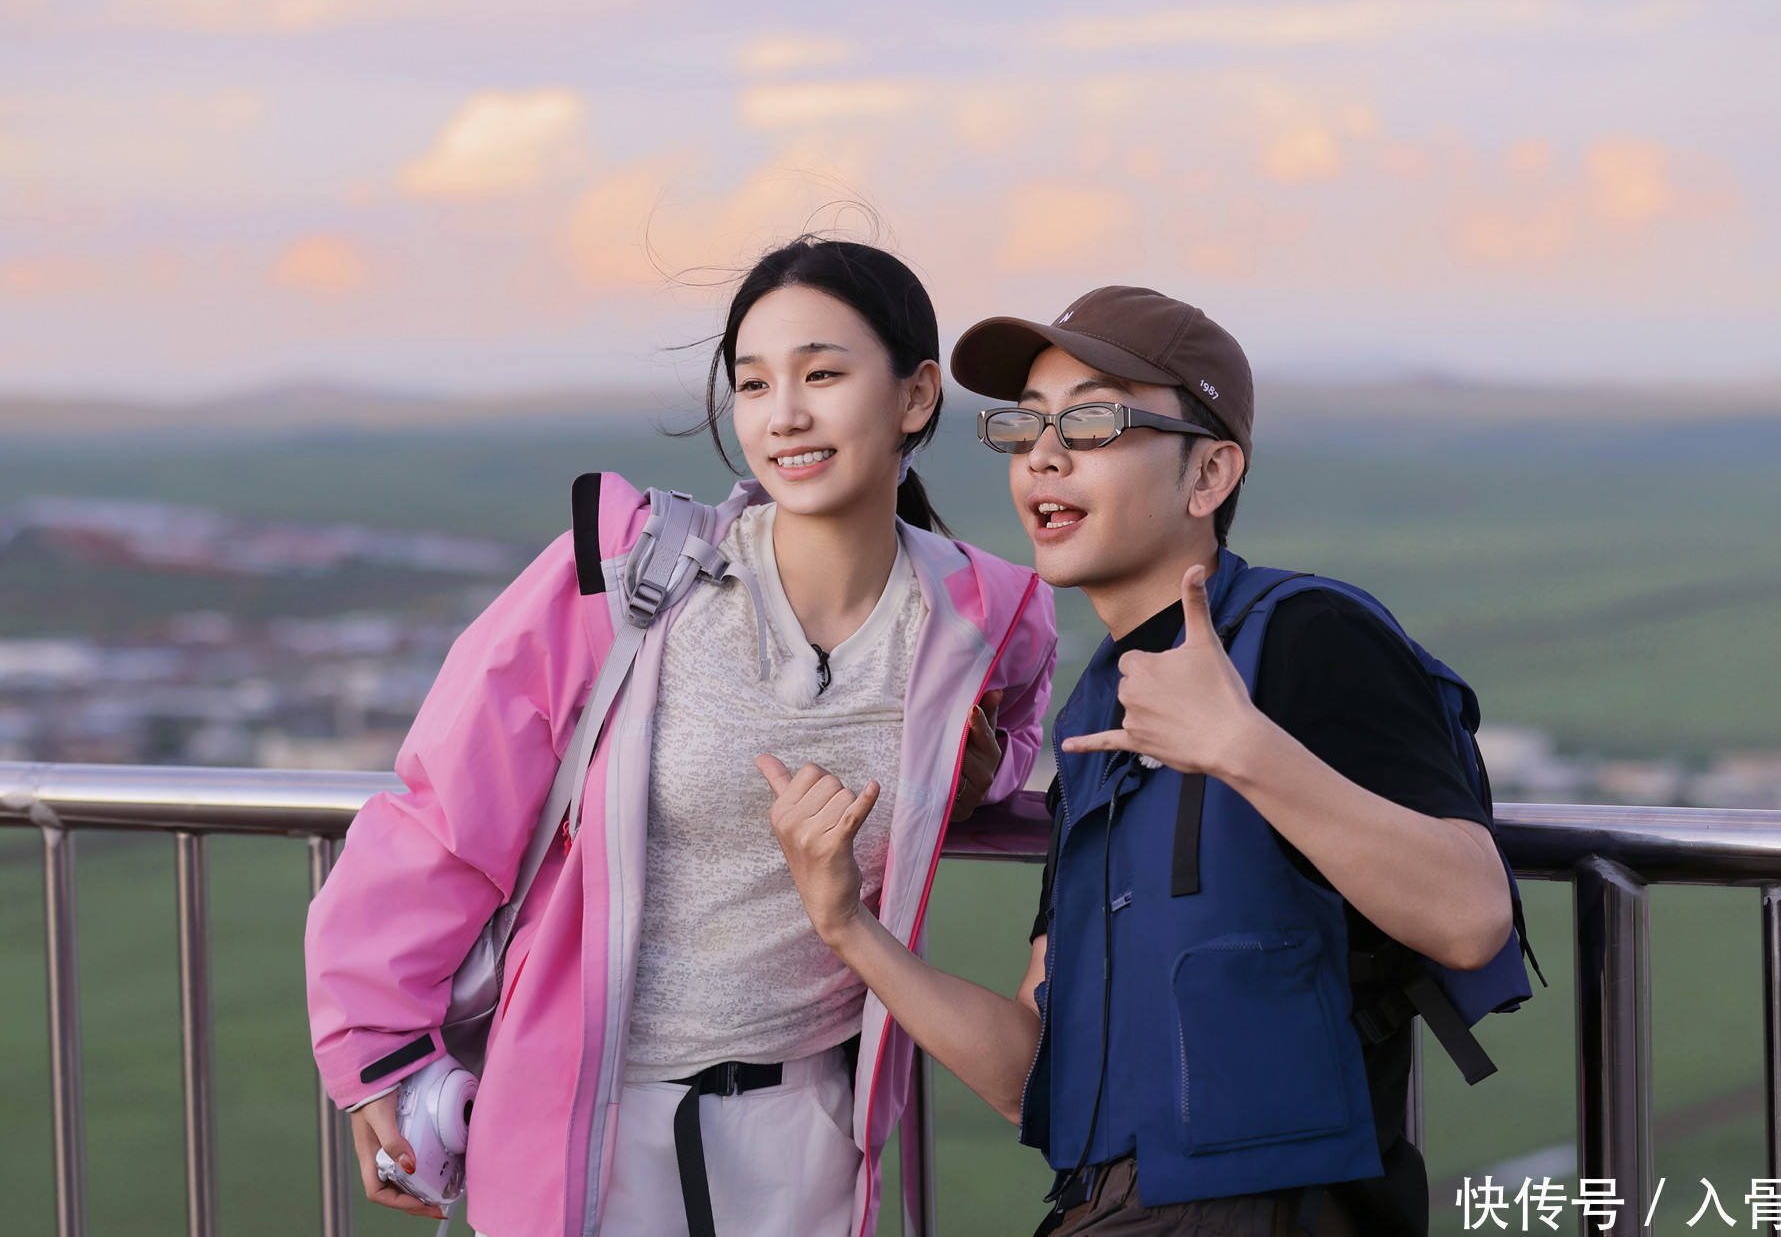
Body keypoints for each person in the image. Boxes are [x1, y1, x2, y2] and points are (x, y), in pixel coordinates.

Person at [305, 237, 1058, 1237]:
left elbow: (1007, 736)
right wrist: (379, 1054)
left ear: (916, 395)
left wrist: (972, 782)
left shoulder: (986, 618)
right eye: (753, 383)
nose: (783, 414)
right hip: (588, 1120)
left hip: (810, 1132)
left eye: (822, 374)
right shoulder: (629, 578)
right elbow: (445, 811)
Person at [766, 285, 1521, 1236]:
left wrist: (1242, 747)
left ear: (1209, 476)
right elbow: (1030, 1072)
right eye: (1026, 425)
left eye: (1092, 421)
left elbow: (1471, 917)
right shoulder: (1101, 711)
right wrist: (846, 925)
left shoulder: (1307, 637)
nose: (1044, 455)